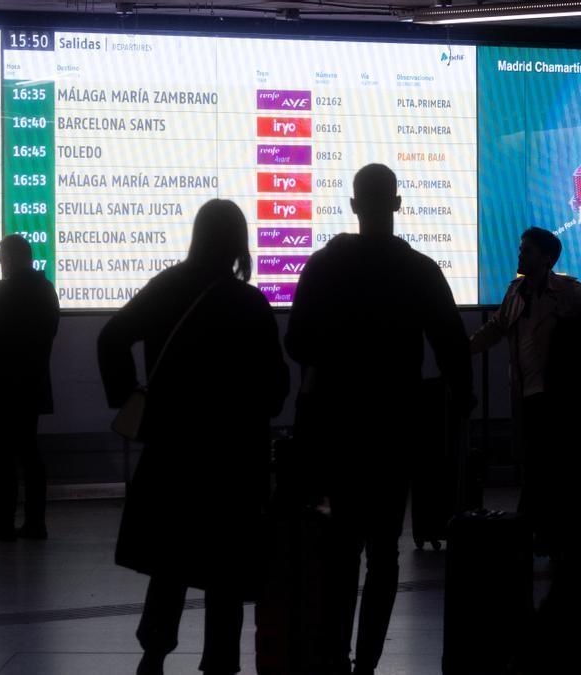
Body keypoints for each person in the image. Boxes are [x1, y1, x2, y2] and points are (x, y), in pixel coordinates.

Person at [285, 164, 472, 675]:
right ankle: (367, 661)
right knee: (384, 551)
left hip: (338, 427)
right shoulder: (419, 269)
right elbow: (453, 345)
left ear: (352, 206)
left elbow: (296, 341)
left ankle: (336, 656)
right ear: (396, 205)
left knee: (341, 548)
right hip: (394, 428)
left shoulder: (323, 266)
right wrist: (465, 400)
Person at [98, 199, 289, 675]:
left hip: (174, 448)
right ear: (239, 242)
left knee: (171, 560)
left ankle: (155, 652)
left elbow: (112, 337)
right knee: (226, 567)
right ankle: (220, 662)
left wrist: (131, 396)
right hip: (232, 454)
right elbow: (274, 384)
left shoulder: (168, 287)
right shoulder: (249, 303)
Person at [470, 227, 581, 674]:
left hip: (556, 396)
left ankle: (536, 533)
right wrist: (464, 350)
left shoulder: (568, 293)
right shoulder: (516, 292)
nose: (518, 253)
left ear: (545, 257)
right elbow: (496, 328)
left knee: (546, 467)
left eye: (525, 249)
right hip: (525, 395)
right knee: (534, 463)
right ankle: (541, 534)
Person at [0, 234, 59, 541]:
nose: (0, 261)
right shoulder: (46, 290)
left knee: (2, 456)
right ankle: (35, 522)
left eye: (2, 256)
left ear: (11, 258)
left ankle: (3, 522)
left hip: (0, 386)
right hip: (31, 384)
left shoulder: (2, 291)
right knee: (30, 452)